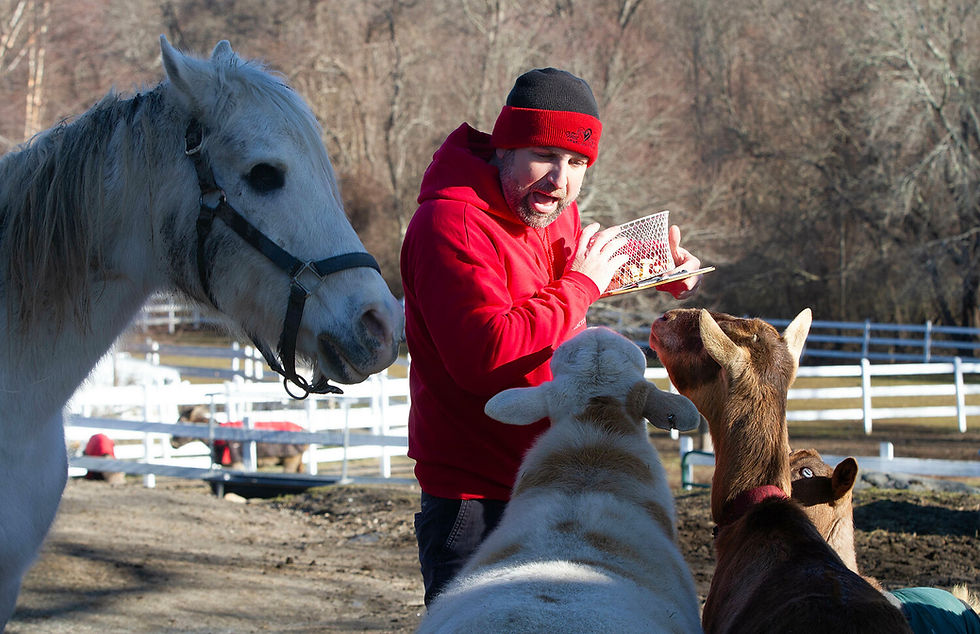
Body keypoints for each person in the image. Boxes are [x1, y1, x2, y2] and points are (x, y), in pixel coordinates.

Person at [399, 67, 702, 607]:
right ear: (504, 147)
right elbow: (487, 356)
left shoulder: (547, 211)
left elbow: (552, 290)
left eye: (578, 162)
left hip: (560, 478)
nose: (560, 181)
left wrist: (652, 271)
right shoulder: (450, 223)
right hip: (478, 493)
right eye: (545, 154)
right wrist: (583, 285)